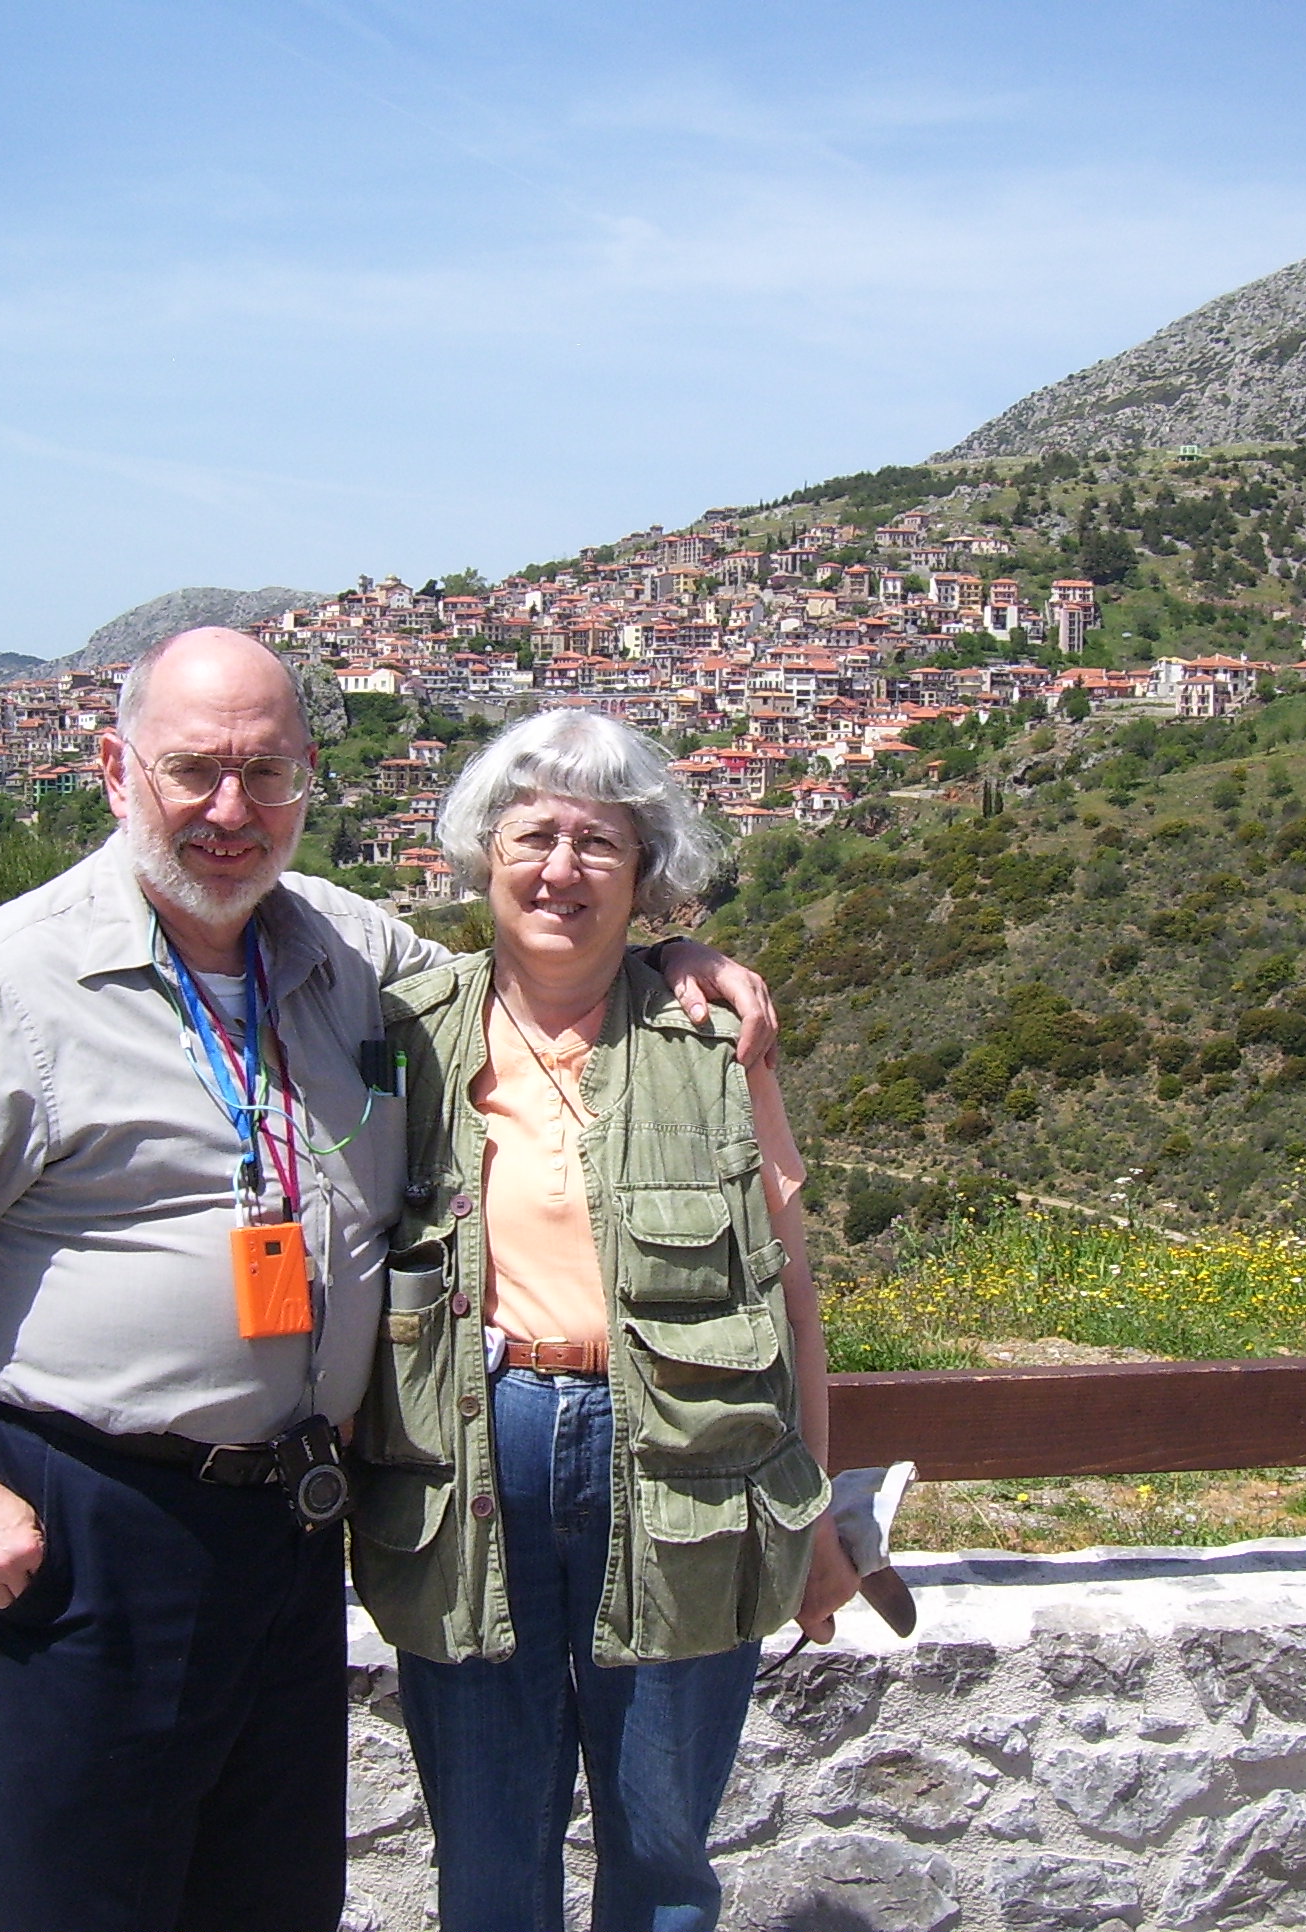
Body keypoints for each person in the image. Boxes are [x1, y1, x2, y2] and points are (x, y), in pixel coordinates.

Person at [0, 631, 776, 1932]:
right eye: (195, 772)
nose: (231, 811)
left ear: (307, 781)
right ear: (116, 768)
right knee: (88, 1903)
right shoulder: (13, 986)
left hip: (293, 1530)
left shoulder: (349, 956)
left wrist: (674, 965)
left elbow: (536, 971)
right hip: (95, 1532)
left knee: (273, 1898)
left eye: (266, 773)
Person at [351, 707, 857, 1932]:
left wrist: (823, 1509)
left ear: (646, 879)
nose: (560, 871)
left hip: (686, 1476)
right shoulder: (405, 1034)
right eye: (533, 837)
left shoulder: (714, 1034)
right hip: (469, 1468)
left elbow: (789, 1287)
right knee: (485, 1857)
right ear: (484, 857)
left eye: (598, 845)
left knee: (662, 1852)